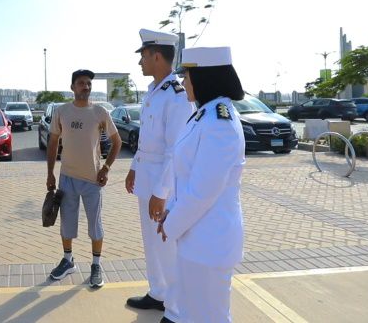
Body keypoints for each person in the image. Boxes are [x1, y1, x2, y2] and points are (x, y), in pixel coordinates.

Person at [155, 46, 246, 323]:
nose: (183, 82)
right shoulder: (204, 115)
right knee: (193, 314)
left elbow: (203, 191)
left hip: (210, 243)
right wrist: (171, 212)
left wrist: (171, 225)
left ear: (204, 78)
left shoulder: (219, 123)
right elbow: (185, 178)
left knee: (210, 317)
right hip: (196, 239)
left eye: (187, 76)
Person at [124, 29, 194, 322]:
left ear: (156, 56)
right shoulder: (154, 92)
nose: (140, 61)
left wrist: (161, 192)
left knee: (166, 245)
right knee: (151, 243)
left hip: (163, 185)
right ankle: (158, 292)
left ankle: (176, 307)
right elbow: (147, 141)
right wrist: (134, 168)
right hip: (147, 180)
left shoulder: (176, 96)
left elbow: (174, 150)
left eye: (143, 55)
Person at [46, 69, 122, 288]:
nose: (86, 87)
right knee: (67, 223)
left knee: (95, 225)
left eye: (88, 83)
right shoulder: (61, 111)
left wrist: (106, 168)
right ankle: (68, 260)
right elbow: (53, 143)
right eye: (81, 83)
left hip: (92, 180)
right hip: (67, 178)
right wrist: (50, 173)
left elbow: (117, 142)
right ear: (72, 87)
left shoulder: (100, 112)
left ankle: (96, 265)